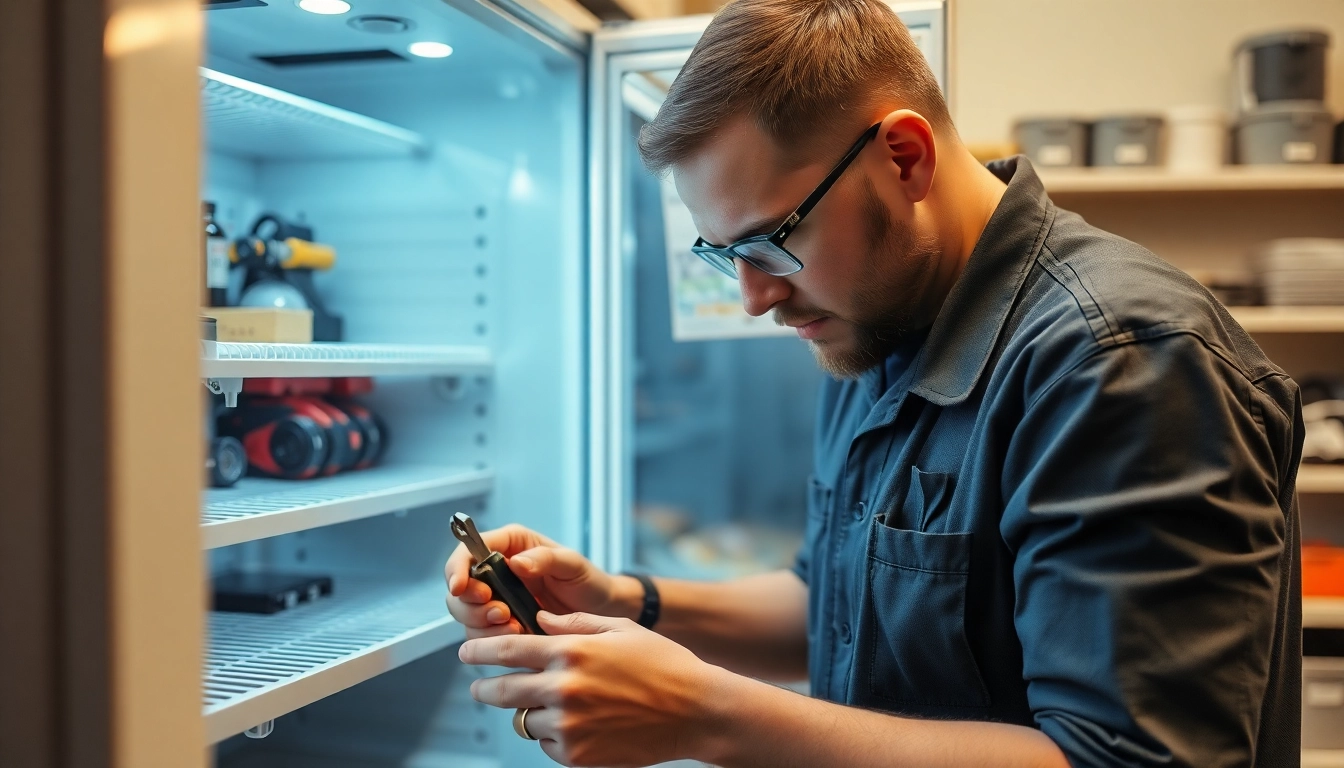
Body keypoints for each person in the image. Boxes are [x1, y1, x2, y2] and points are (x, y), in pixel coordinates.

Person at [445, 0, 1303, 765]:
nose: (754, 299)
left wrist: (705, 715)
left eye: (771, 242)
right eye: (723, 256)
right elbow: (835, 605)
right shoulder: (871, 320)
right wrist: (629, 602)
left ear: (903, 156)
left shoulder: (1121, 362)